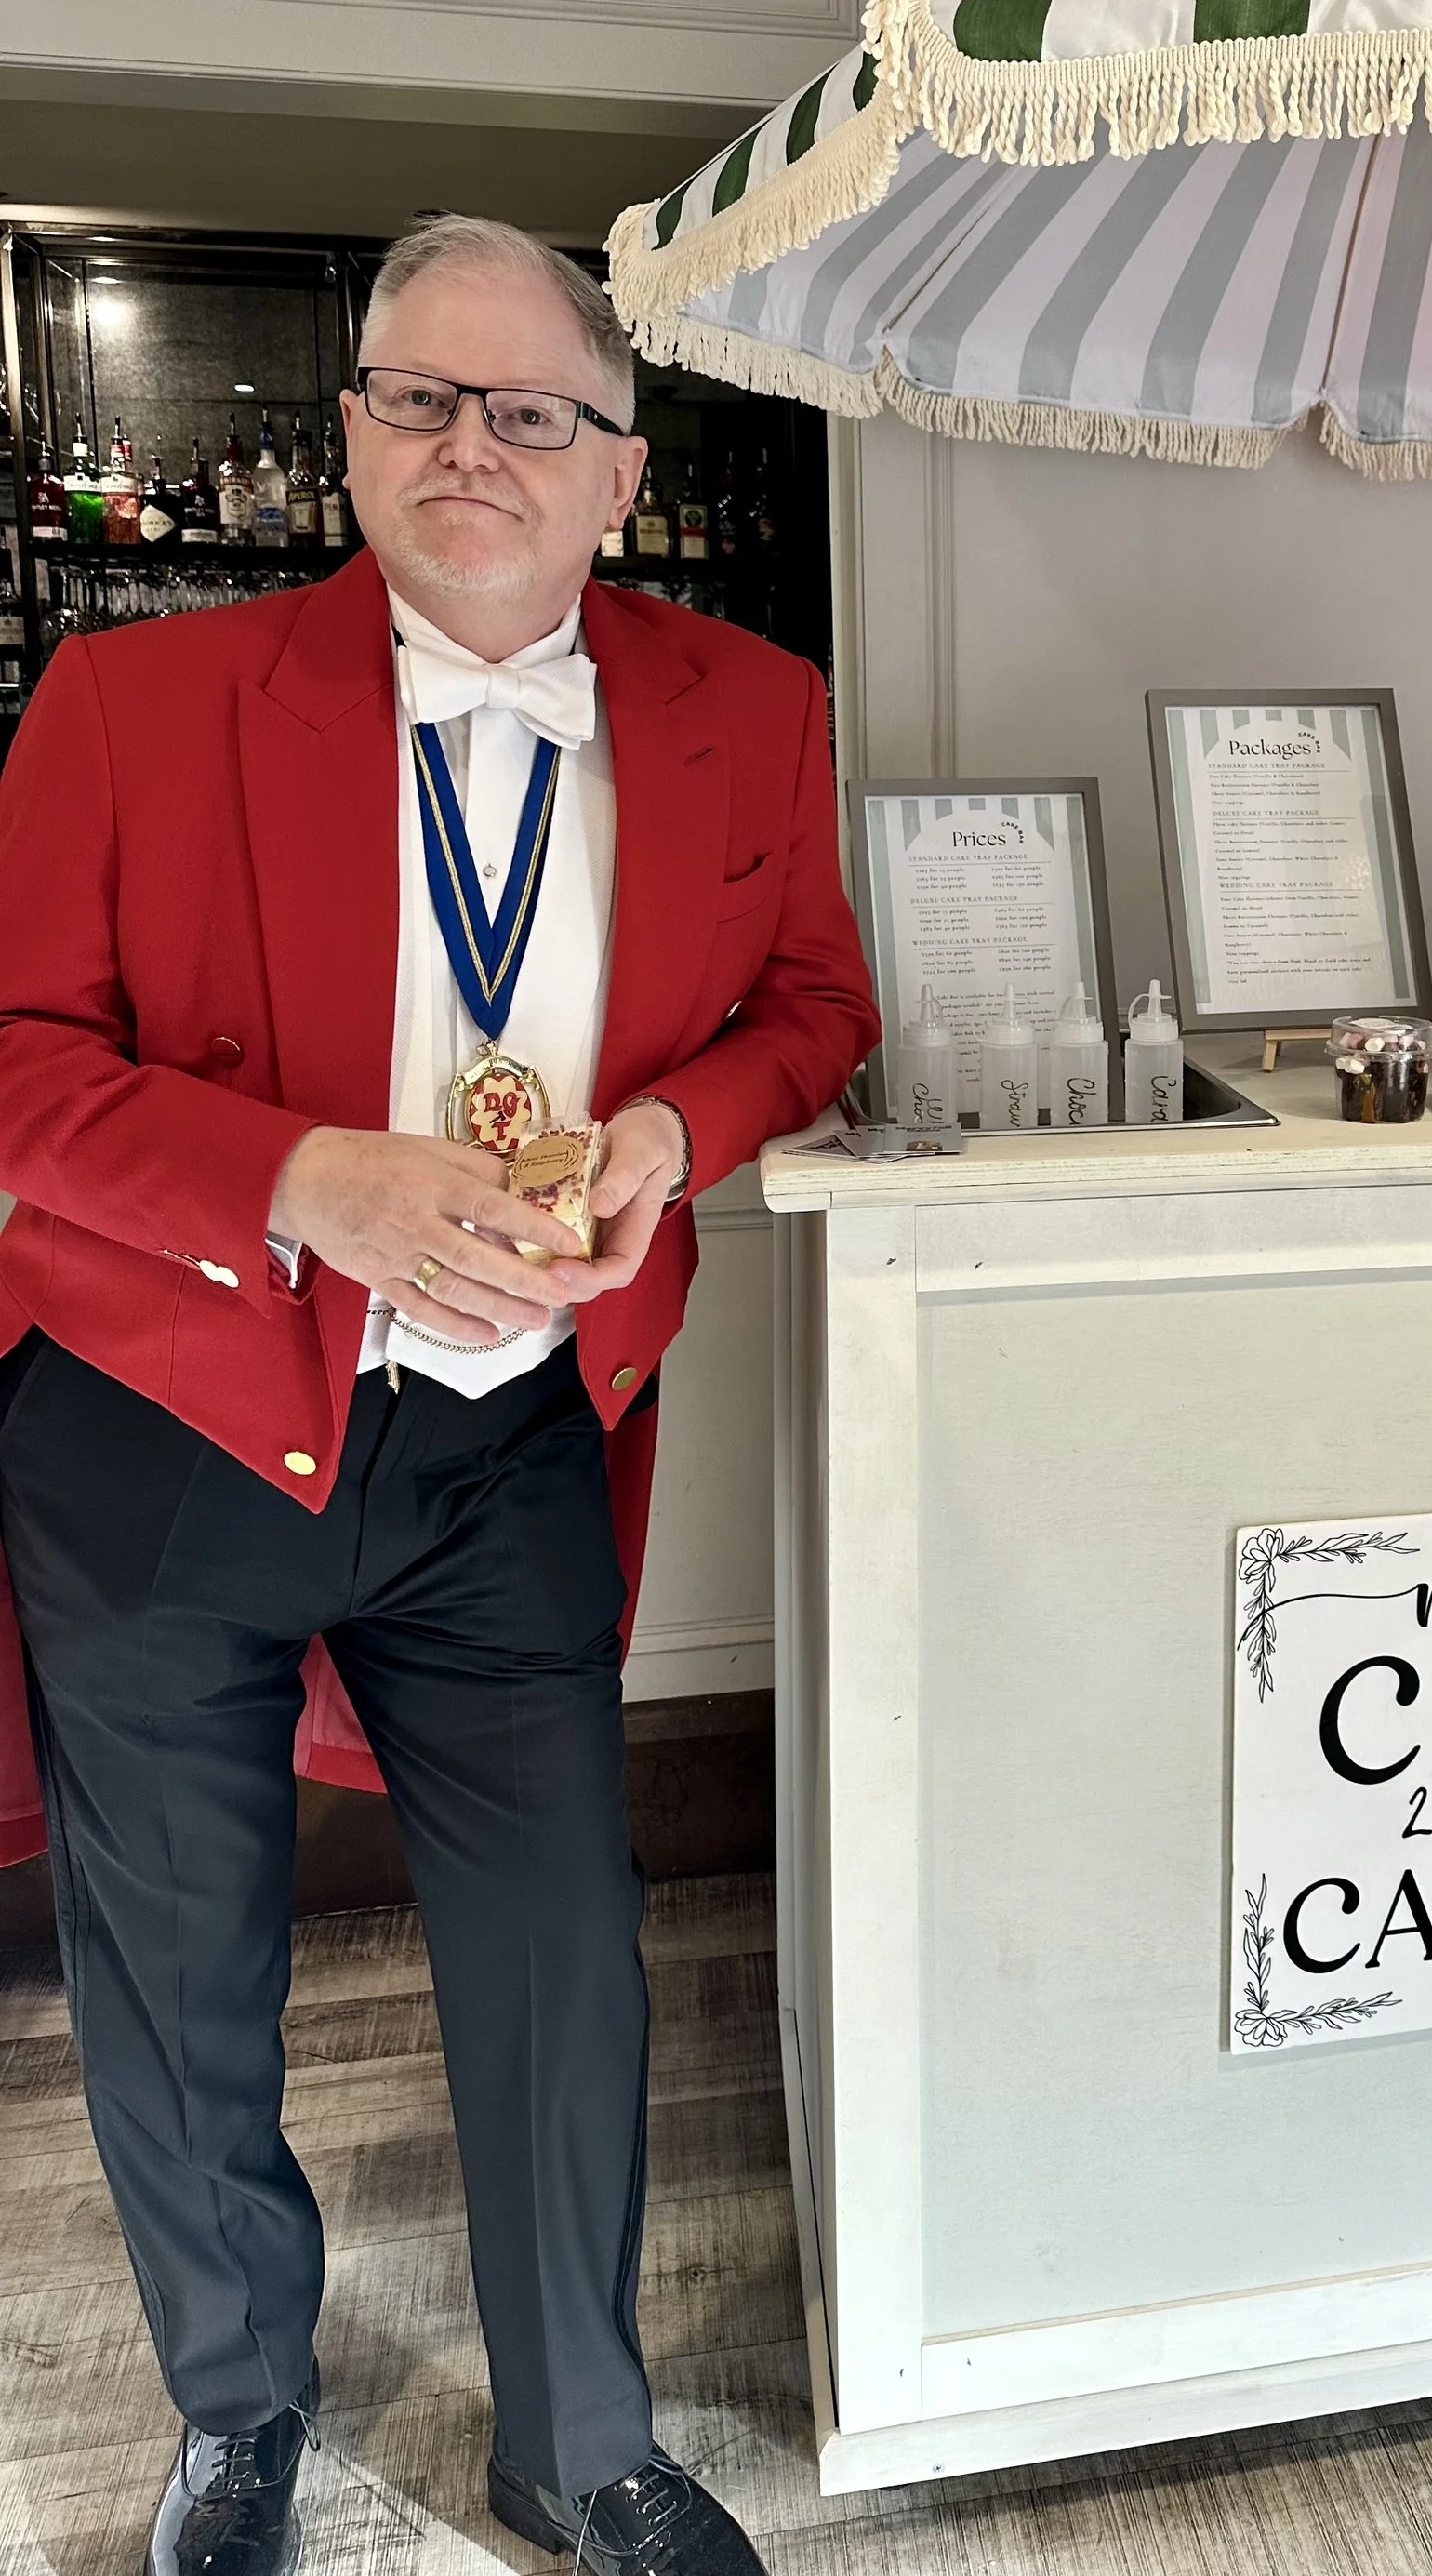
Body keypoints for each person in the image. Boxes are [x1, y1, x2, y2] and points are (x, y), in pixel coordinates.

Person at [0, 218, 880, 2576]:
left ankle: (579, 2439)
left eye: (529, 412)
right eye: (415, 395)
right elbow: (15, 1065)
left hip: (509, 1439)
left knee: (563, 1945)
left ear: (620, 472)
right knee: (180, 1960)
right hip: (169, 1425)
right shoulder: (132, 700)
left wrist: (675, 1130)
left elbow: (817, 1005)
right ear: (352, 428)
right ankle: (238, 2412)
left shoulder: (752, 705)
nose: (467, 445)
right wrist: (302, 1177)